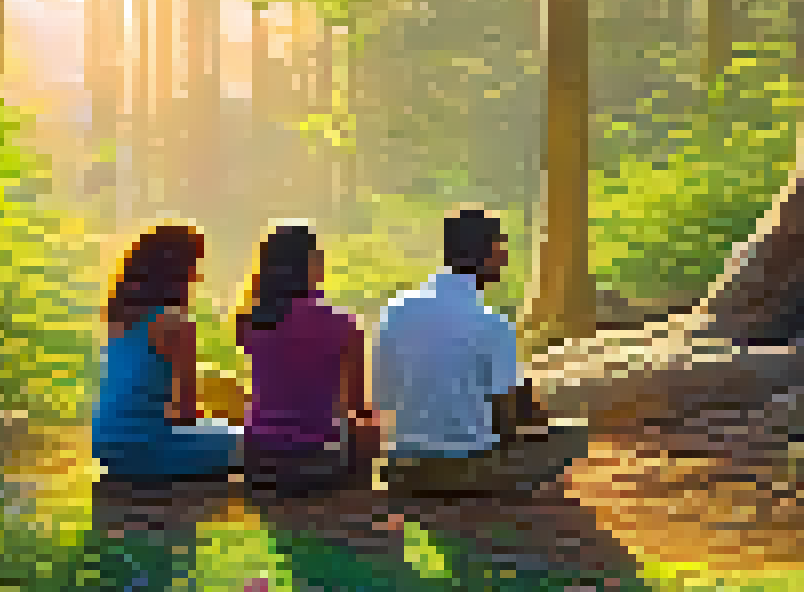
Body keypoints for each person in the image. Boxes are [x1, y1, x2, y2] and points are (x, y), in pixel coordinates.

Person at [373, 208, 577, 498]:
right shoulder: (492, 322)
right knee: (570, 434)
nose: (504, 259)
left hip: (403, 469)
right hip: (467, 470)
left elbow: (386, 399)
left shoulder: (394, 311)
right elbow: (507, 420)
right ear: (489, 253)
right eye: (500, 249)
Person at [235, 222, 381, 497]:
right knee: (371, 424)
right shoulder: (343, 324)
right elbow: (356, 405)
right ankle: (362, 498)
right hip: (317, 461)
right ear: (312, 265)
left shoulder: (248, 320)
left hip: (257, 462)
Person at [89, 223, 241, 483]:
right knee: (256, 442)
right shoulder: (176, 323)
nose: (198, 277)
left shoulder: (119, 319)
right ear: (180, 271)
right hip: (146, 450)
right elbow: (186, 414)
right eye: (195, 266)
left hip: (106, 446)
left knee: (220, 429)